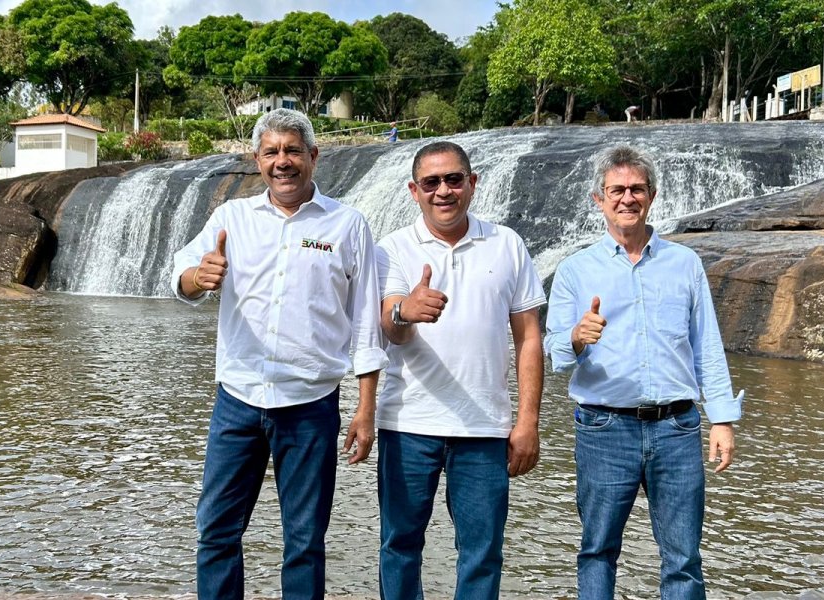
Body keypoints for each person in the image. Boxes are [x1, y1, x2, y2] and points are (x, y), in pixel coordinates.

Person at [171, 107, 387, 600]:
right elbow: (184, 273)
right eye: (271, 152)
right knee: (217, 532)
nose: (282, 161)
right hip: (238, 400)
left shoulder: (348, 225)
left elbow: (364, 324)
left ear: (313, 156)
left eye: (292, 150)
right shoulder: (231, 218)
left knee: (306, 542)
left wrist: (365, 408)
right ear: (257, 160)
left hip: (311, 406)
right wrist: (197, 278)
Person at [543, 145, 742, 600]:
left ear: (651, 195)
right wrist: (577, 336)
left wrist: (723, 420)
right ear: (599, 199)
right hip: (603, 427)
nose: (627, 198)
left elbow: (707, 345)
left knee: (684, 557)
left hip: (677, 427)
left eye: (636, 189)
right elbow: (556, 353)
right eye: (616, 190)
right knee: (597, 550)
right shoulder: (575, 270)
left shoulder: (685, 263)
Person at [375, 141, 546, 599]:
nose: (443, 191)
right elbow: (389, 329)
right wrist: (405, 312)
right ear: (414, 190)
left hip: (485, 428)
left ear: (472, 183)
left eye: (454, 179)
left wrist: (527, 421)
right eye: (431, 182)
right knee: (399, 545)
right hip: (407, 424)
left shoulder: (507, 244)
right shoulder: (391, 249)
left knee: (482, 552)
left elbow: (529, 338)